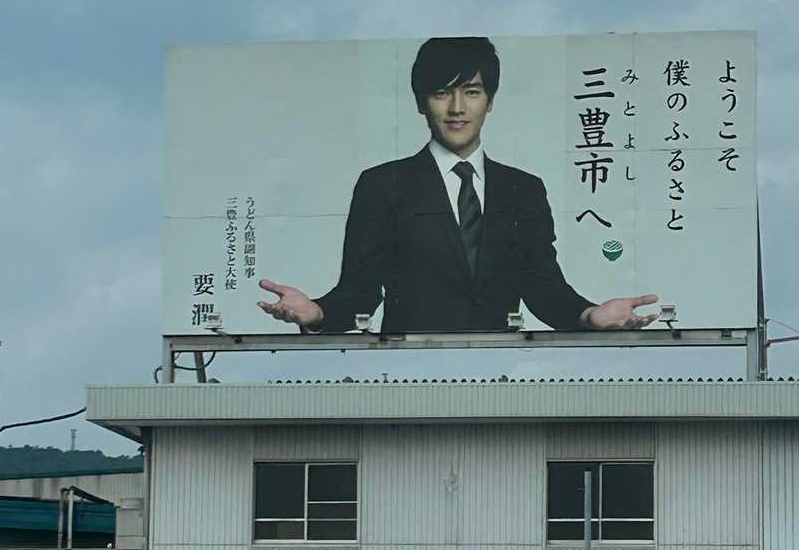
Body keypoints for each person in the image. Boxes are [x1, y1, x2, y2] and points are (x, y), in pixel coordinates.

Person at [257, 36, 659, 335]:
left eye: (472, 92)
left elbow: (542, 285)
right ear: (420, 102)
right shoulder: (382, 184)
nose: (456, 108)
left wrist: (588, 315)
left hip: (500, 372)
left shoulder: (524, 189)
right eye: (441, 93)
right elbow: (359, 291)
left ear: (490, 100)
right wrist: (317, 313)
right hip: (406, 371)